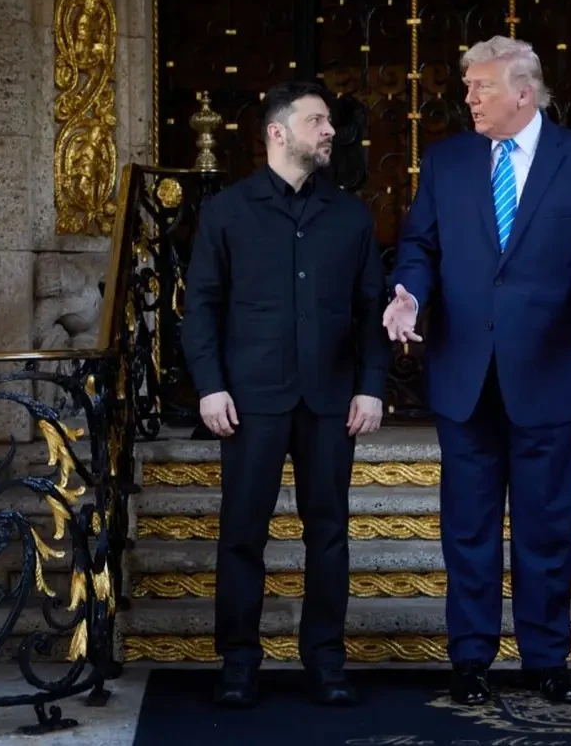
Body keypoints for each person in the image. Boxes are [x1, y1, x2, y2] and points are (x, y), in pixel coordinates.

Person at [383, 36, 571, 706]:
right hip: (465, 374)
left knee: (546, 528)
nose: (468, 97)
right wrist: (408, 294)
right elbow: (419, 246)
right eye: (468, 85)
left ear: (523, 92)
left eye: (481, 87)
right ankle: (470, 660)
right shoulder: (447, 161)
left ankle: (546, 660)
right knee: (467, 529)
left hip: (550, 370)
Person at [181, 81, 391, 708]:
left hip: (331, 400)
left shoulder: (351, 215)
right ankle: (238, 663)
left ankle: (325, 662)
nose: (330, 131)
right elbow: (201, 306)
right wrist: (210, 386)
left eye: (329, 122)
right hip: (251, 400)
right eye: (317, 121)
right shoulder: (228, 211)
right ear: (278, 132)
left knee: (328, 534)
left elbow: (370, 310)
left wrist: (371, 388)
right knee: (242, 534)